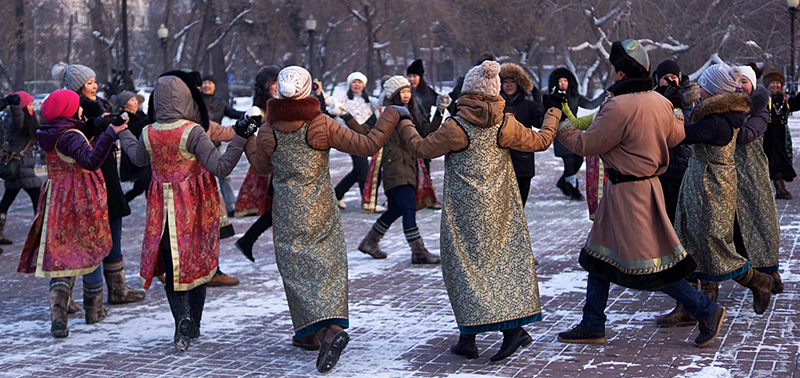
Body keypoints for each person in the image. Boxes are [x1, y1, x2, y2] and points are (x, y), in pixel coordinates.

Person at [555, 40, 724, 348]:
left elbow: (585, 145)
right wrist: (673, 108)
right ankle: (593, 323)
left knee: (650, 266)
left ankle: (706, 309)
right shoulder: (658, 102)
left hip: (628, 194)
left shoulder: (618, 106)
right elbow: (677, 135)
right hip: (639, 188)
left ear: (620, 74)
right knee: (598, 257)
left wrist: (558, 119)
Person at [244, 66, 407, 373]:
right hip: (321, 208)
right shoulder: (322, 124)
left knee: (296, 273)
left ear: (278, 91)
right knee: (327, 267)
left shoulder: (268, 131)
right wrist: (391, 115)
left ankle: (315, 334)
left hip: (288, 212)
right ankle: (327, 331)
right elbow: (368, 145)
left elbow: (262, 168)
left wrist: (249, 137)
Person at [399, 60, 558, 361]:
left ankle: (484, 335)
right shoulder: (505, 123)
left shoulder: (455, 127)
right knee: (498, 267)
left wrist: (405, 122)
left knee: (463, 268)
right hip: (500, 211)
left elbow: (420, 148)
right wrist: (552, 112)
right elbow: (541, 140)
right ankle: (490, 334)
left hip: (463, 214)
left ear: (467, 91)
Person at [117, 71, 254, 352]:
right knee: (199, 265)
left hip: (161, 211)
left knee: (172, 267)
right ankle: (196, 324)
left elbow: (136, 158)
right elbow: (221, 167)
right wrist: (240, 138)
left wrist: (125, 135)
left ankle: (182, 318)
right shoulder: (193, 131)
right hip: (195, 208)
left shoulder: (148, 132)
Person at [18, 89, 127, 337]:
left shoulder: (49, 131)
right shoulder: (70, 135)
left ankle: (58, 312)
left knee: (62, 252)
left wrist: (100, 127)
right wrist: (111, 134)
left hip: (57, 197)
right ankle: (94, 308)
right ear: (68, 109)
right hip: (81, 196)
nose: (81, 110)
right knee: (91, 248)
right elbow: (90, 161)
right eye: (77, 106)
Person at [673, 63, 775, 317]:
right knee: (686, 241)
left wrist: (669, 115)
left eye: (703, 87)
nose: (699, 91)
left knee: (716, 246)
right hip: (699, 184)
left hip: (712, 187)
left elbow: (679, 135)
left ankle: (759, 281)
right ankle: (689, 305)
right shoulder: (714, 115)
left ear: (712, 91)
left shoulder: (717, 121)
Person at [51, 62, 146, 305]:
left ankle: (116, 288)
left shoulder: (98, 105)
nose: (94, 86)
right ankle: (92, 295)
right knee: (90, 237)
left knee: (113, 228)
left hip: (105, 174)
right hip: (90, 176)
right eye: (89, 82)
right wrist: (100, 126)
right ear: (77, 86)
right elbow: (79, 135)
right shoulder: (75, 108)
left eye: (94, 81)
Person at [355, 76, 443, 264]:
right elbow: (363, 130)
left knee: (397, 208)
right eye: (402, 92)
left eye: (408, 91)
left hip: (411, 167)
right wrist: (345, 116)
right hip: (393, 167)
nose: (406, 95)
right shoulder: (382, 114)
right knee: (409, 208)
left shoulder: (412, 111)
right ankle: (418, 251)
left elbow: (425, 132)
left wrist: (440, 112)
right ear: (393, 94)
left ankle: (370, 242)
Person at [733, 66, 783, 293]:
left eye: (744, 81)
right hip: (728, 174)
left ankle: (770, 273)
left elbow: (746, 135)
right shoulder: (727, 108)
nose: (739, 86)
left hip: (753, 174)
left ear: (752, 85)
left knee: (761, 222)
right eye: (735, 81)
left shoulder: (760, 110)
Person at [234, 65, 280, 262]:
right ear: (264, 87)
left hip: (286, 163)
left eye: (279, 83)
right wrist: (250, 122)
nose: (277, 87)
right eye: (273, 84)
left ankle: (248, 240)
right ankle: (249, 240)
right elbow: (245, 130)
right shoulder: (260, 110)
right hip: (273, 166)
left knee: (278, 210)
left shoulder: (287, 103)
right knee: (281, 209)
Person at [325, 72, 383, 211]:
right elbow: (329, 102)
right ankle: (368, 202)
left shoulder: (370, 101)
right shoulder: (343, 99)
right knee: (363, 169)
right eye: (354, 82)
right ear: (350, 84)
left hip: (365, 138)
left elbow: (382, 105)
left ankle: (336, 195)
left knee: (358, 170)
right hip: (348, 137)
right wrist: (319, 90)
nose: (357, 85)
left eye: (359, 82)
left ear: (364, 84)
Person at [548, 67, 605, 201]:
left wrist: (605, 95)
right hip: (560, 133)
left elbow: (591, 105)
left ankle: (563, 182)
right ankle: (574, 189)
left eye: (565, 81)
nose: (563, 84)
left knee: (578, 159)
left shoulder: (574, 96)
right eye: (560, 81)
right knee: (569, 161)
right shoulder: (552, 97)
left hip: (574, 132)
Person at [499, 62, 545, 206]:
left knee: (518, 207)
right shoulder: (495, 106)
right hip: (498, 164)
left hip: (522, 164)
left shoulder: (529, 106)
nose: (509, 85)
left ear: (519, 84)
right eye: (505, 82)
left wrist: (543, 104)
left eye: (512, 81)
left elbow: (541, 123)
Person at [0, 92, 42, 245]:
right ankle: (41, 233)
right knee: (38, 200)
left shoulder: (28, 123)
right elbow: (18, 119)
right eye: (29, 105)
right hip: (21, 167)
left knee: (6, 201)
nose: (33, 108)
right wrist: (16, 105)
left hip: (18, 167)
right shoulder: (16, 121)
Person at [201, 74, 244, 216]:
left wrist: (251, 115)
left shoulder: (220, 102)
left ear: (214, 85)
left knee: (224, 175)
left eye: (210, 82)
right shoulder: (196, 102)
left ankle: (231, 207)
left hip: (216, 144)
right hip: (200, 145)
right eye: (205, 82)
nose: (207, 85)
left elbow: (233, 113)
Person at [762, 69, 799, 199]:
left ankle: (779, 188)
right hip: (767, 135)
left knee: (781, 161)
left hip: (782, 135)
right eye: (773, 83)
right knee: (770, 161)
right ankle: (779, 188)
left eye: (778, 83)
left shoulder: (785, 99)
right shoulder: (764, 99)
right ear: (768, 84)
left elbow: (796, 104)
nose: (776, 85)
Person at [115, 91, 152, 203]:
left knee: (143, 186)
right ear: (124, 105)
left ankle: (121, 204)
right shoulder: (124, 117)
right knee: (143, 185)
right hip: (134, 156)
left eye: (135, 99)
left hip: (146, 154)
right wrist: (148, 121)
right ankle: (120, 204)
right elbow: (133, 129)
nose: (135, 102)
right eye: (131, 100)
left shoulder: (141, 114)